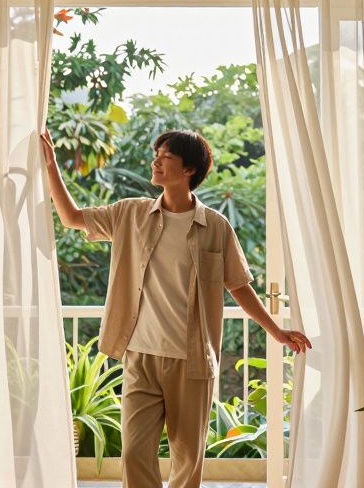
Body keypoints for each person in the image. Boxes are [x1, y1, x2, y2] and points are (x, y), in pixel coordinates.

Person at [39, 128, 312, 488]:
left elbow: (239, 286)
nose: (156, 160)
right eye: (157, 153)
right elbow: (72, 218)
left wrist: (275, 331)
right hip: (141, 356)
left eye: (165, 156)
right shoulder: (130, 214)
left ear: (189, 170)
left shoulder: (215, 226)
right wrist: (51, 167)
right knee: (135, 453)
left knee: (187, 461)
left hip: (192, 361)